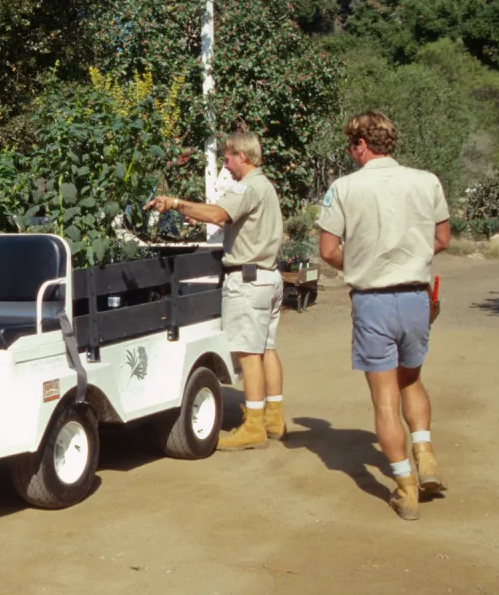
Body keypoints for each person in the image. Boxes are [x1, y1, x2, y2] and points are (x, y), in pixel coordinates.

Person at [317, 111, 450, 520]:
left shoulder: (344, 188)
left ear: (361, 144)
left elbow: (327, 250)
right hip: (415, 296)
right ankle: (425, 453)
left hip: (372, 299)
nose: (350, 153)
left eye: (350, 146)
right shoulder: (426, 181)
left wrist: (361, 263)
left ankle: (405, 487)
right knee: (411, 379)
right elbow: (442, 238)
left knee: (384, 400)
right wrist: (411, 257)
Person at [147, 129, 285, 451]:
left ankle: (253, 427)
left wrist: (177, 204)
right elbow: (235, 220)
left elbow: (219, 213)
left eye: (228, 158)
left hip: (248, 281)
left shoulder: (246, 187)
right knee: (267, 349)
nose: (226, 165)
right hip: (268, 277)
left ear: (242, 157)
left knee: (248, 354)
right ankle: (273, 417)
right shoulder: (265, 186)